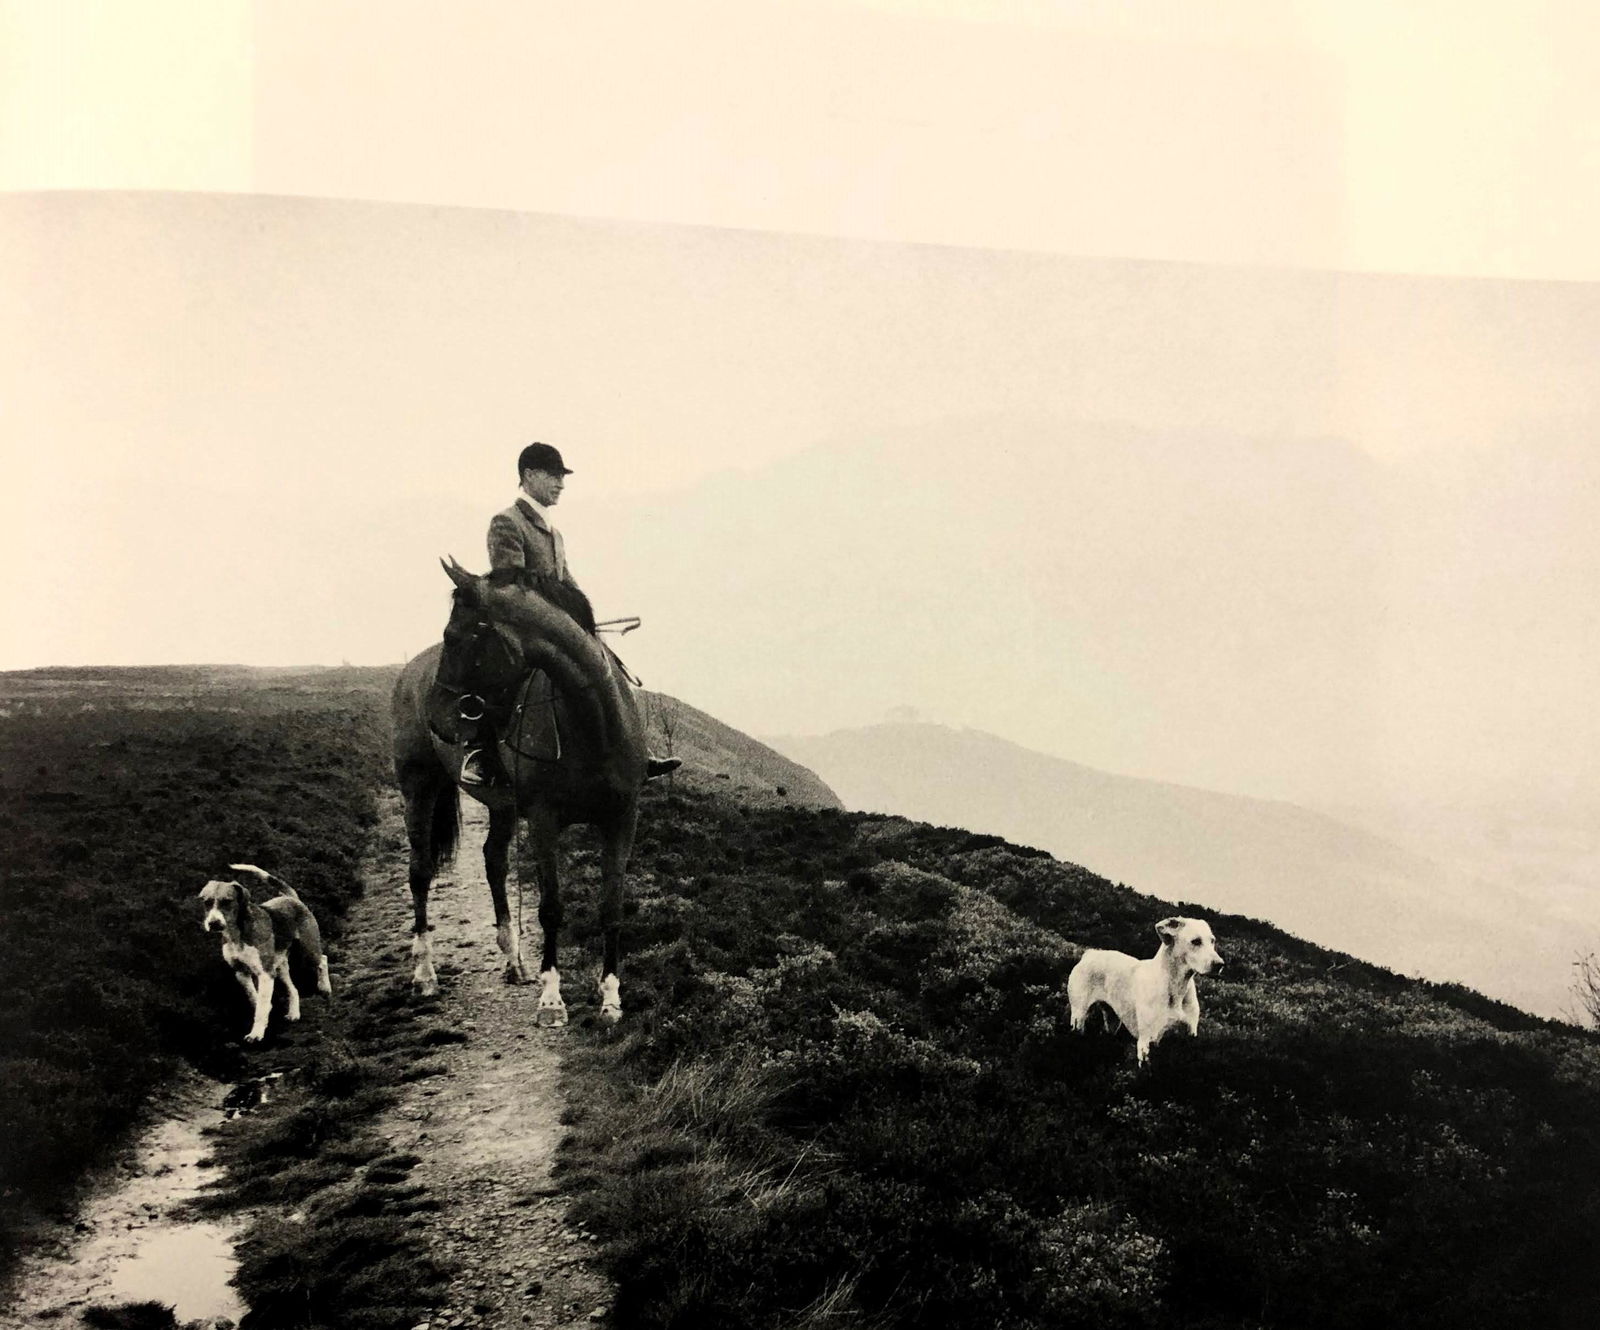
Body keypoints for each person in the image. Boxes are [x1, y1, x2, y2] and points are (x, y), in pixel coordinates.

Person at [456, 441, 681, 786]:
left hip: (557, 628)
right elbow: (512, 582)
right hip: (522, 629)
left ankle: (636, 753)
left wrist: (583, 615)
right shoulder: (506, 522)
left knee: (610, 667)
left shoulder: (555, 533)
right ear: (529, 475)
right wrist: (561, 611)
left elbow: (564, 580)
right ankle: (482, 755)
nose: (561, 484)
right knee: (503, 681)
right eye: (553, 476)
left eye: (562, 477)